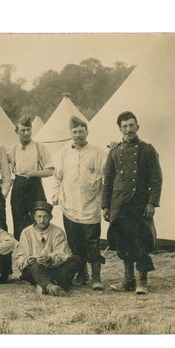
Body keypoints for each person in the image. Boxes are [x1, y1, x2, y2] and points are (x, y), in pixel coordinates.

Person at [102, 111, 162, 295]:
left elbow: (156, 179)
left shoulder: (147, 149)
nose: (128, 129)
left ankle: (142, 281)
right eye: (124, 126)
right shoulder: (114, 152)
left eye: (131, 125)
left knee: (141, 240)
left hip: (140, 204)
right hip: (119, 204)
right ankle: (128, 280)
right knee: (123, 241)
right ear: (120, 129)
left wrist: (152, 203)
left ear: (137, 127)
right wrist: (105, 205)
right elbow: (108, 180)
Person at [51, 116, 108, 290]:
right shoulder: (64, 154)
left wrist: (104, 202)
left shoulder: (98, 154)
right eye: (74, 132)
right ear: (70, 134)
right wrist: (55, 195)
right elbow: (57, 177)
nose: (77, 135)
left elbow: (107, 180)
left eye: (81, 131)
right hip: (70, 206)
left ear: (87, 132)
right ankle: (82, 274)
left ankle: (96, 276)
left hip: (90, 207)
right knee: (75, 243)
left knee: (92, 244)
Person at [14, 201, 81, 296]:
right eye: (39, 217)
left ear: (51, 217)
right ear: (34, 217)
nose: (42, 220)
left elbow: (63, 254)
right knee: (35, 265)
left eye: (45, 217)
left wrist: (50, 258)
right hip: (34, 270)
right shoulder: (26, 232)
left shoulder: (58, 232)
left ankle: (43, 285)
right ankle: (51, 286)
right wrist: (27, 261)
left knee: (76, 260)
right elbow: (20, 258)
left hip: (53, 269)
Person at [7, 114, 55, 241]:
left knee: (40, 218)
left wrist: (34, 173)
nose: (27, 133)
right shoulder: (12, 149)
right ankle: (22, 250)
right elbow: (0, 165)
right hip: (18, 185)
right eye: (23, 130)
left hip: (35, 185)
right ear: (17, 131)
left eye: (29, 129)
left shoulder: (40, 147)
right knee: (18, 219)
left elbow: (51, 171)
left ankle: (41, 247)